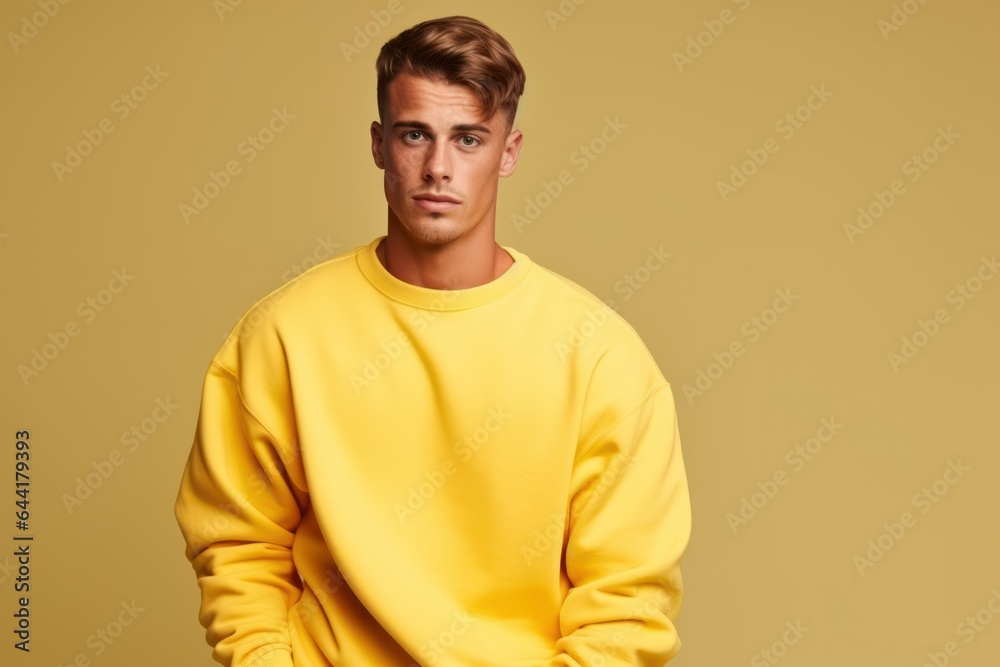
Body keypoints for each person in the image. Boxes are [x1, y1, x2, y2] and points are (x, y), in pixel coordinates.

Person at [173, 14, 691, 667]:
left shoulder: (600, 358)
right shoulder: (283, 335)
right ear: (378, 144)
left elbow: (626, 605)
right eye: (415, 134)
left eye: (468, 139)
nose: (438, 168)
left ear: (509, 152)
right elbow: (236, 545)